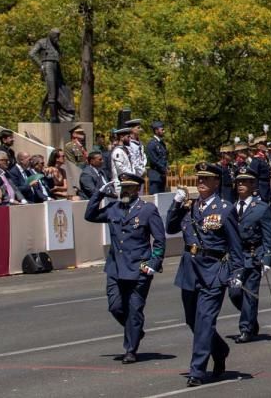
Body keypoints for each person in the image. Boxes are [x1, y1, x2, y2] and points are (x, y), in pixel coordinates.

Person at [167, 163, 245, 387]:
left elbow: (235, 244)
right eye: (199, 178)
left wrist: (237, 273)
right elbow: (171, 227)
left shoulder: (225, 208)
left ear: (216, 183)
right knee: (192, 320)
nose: (201, 182)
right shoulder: (190, 207)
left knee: (204, 321)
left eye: (206, 179)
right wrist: (177, 203)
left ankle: (197, 370)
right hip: (190, 269)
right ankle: (219, 349)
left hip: (213, 270)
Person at [84, 172, 165, 363]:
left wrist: (153, 262)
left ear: (138, 189)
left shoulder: (147, 210)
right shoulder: (114, 208)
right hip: (115, 268)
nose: (125, 190)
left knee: (134, 309)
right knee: (116, 307)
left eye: (129, 187)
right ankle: (135, 329)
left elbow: (159, 241)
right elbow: (90, 216)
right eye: (123, 187)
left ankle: (130, 349)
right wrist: (99, 194)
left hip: (139, 268)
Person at [226, 170, 271, 344]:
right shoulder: (231, 208)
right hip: (236, 257)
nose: (241, 185)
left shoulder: (261, 208)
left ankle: (246, 328)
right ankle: (251, 318)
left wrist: (267, 260)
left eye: (245, 182)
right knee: (234, 293)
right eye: (239, 182)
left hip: (253, 255)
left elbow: (269, 237)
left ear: (253, 185)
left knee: (249, 293)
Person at [145, 121, 169, 193]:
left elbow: (164, 157)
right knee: (155, 197)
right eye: (162, 129)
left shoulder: (161, 143)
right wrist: (163, 168)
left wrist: (167, 166)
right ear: (156, 131)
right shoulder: (152, 144)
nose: (163, 131)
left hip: (162, 176)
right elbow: (154, 160)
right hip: (155, 176)